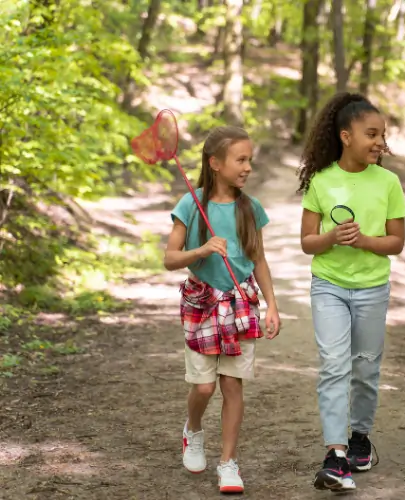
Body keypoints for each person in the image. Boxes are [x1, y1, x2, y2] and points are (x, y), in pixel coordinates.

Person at [297, 92, 405, 492]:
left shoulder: (389, 182)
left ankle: (360, 436)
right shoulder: (322, 182)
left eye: (382, 135)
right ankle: (335, 454)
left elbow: (396, 243)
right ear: (346, 136)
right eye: (372, 134)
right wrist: (331, 236)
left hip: (371, 289)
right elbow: (308, 243)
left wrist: (363, 241)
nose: (380, 142)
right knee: (334, 365)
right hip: (328, 285)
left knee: (365, 367)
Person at [164, 125, 281, 494]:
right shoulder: (191, 204)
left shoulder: (251, 208)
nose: (247, 167)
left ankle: (228, 463)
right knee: (203, 387)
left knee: (232, 385)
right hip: (202, 302)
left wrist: (272, 306)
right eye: (240, 159)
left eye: (250, 160)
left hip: (240, 302)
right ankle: (192, 430)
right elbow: (170, 259)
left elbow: (258, 259)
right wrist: (200, 250)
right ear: (215, 163)